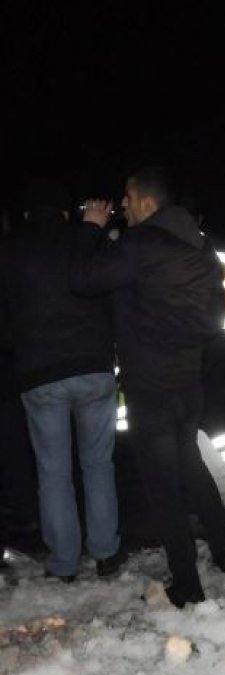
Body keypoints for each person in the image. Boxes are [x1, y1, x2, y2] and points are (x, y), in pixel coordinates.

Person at [73, 167, 225, 608]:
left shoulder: (141, 243)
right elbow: (210, 311)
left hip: (151, 384)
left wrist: (92, 230)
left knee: (162, 485)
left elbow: (85, 280)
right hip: (189, 380)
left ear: (146, 201)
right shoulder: (199, 245)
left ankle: (186, 582)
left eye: (127, 198)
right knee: (189, 463)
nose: (122, 205)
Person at [0, 179, 124, 582]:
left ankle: (65, 563)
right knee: (98, 464)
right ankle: (106, 552)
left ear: (24, 215)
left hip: (40, 373)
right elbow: (112, 294)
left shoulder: (10, 251)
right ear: (65, 213)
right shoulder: (84, 240)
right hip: (94, 367)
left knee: (53, 472)